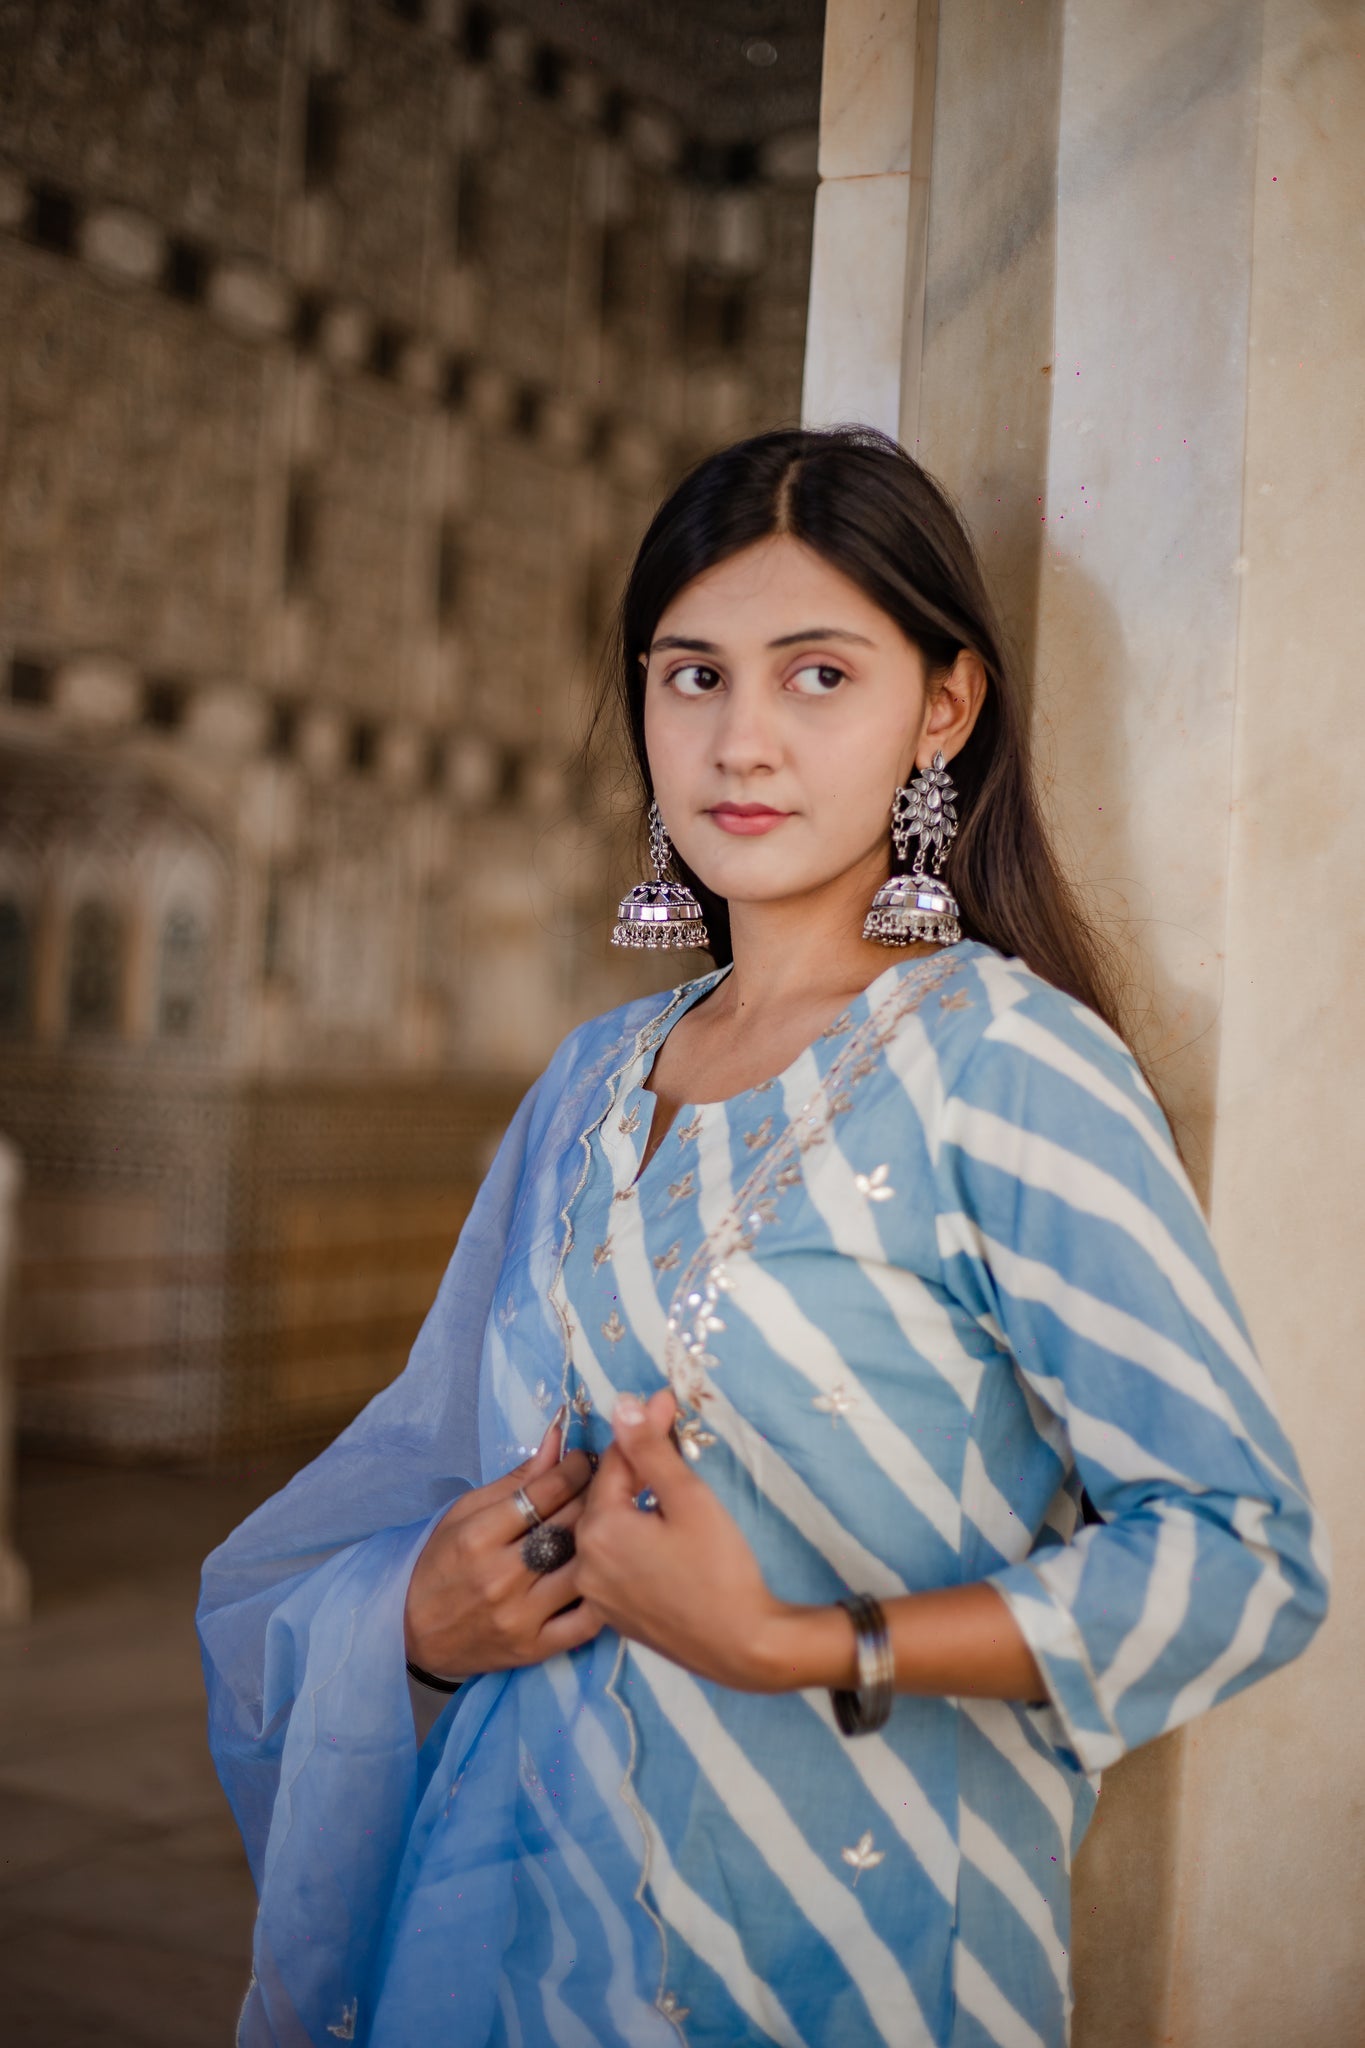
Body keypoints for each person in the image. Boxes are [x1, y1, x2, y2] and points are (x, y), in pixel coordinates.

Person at [198, 425, 1329, 2048]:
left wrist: (793, 1642)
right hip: (503, 1942)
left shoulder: (1005, 1068)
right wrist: (412, 1631)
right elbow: (421, 1468)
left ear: (941, 707)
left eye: (815, 677)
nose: (739, 740)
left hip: (840, 1960)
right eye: (689, 675)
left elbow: (1240, 1555)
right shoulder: (590, 1081)